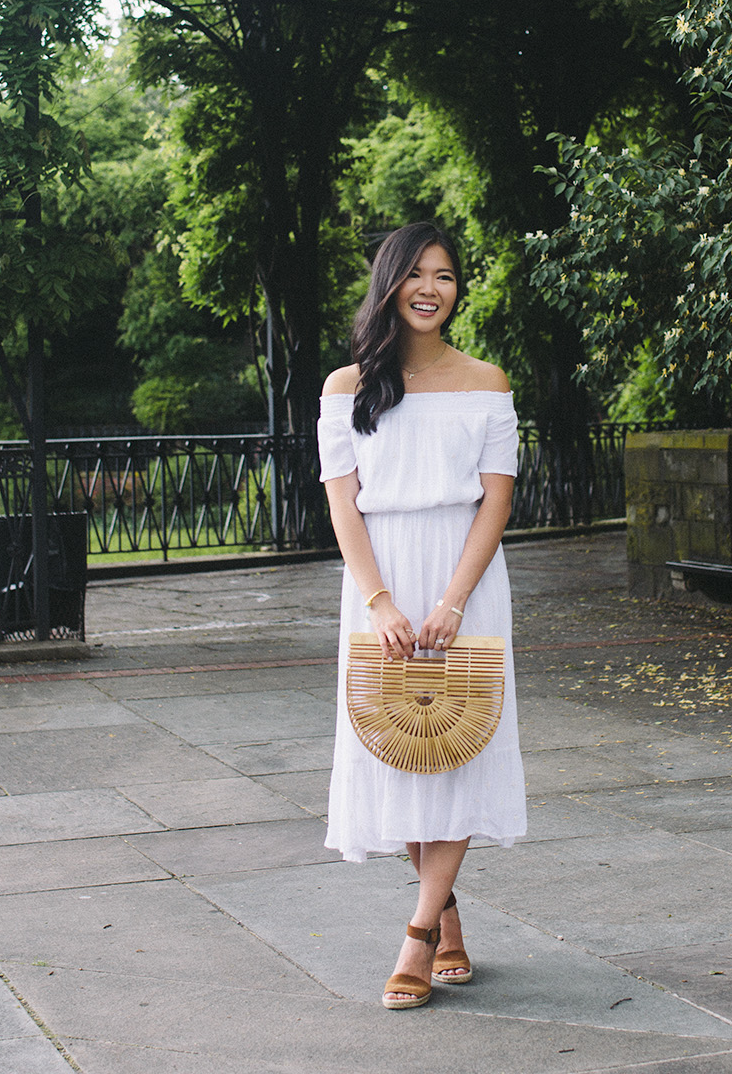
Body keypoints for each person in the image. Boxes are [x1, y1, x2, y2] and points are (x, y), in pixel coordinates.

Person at [317, 221, 526, 1010]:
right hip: (380, 577)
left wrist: (451, 601)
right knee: (401, 745)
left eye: (444, 276)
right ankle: (448, 916)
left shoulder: (487, 380)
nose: (430, 289)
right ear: (391, 284)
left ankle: (415, 934)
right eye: (416, 275)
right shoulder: (347, 389)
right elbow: (343, 505)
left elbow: (497, 499)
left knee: (459, 743)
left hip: (464, 579)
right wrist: (381, 603)